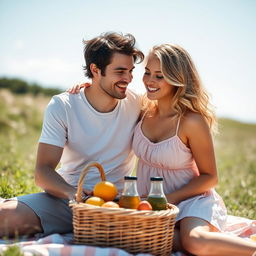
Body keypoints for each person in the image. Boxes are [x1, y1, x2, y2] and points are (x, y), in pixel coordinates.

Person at [0, 32, 144, 238]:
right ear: (95, 70)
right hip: (68, 201)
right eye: (120, 71)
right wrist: (74, 196)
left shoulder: (137, 103)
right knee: (4, 218)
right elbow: (43, 171)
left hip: (119, 206)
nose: (128, 79)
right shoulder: (63, 105)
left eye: (131, 71)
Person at [131, 44, 256, 255]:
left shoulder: (191, 121)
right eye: (147, 72)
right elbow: (107, 98)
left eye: (159, 76)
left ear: (176, 78)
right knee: (139, 236)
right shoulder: (141, 109)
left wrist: (169, 198)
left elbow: (210, 177)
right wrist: (83, 87)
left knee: (194, 242)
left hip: (191, 200)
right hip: (151, 203)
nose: (149, 81)